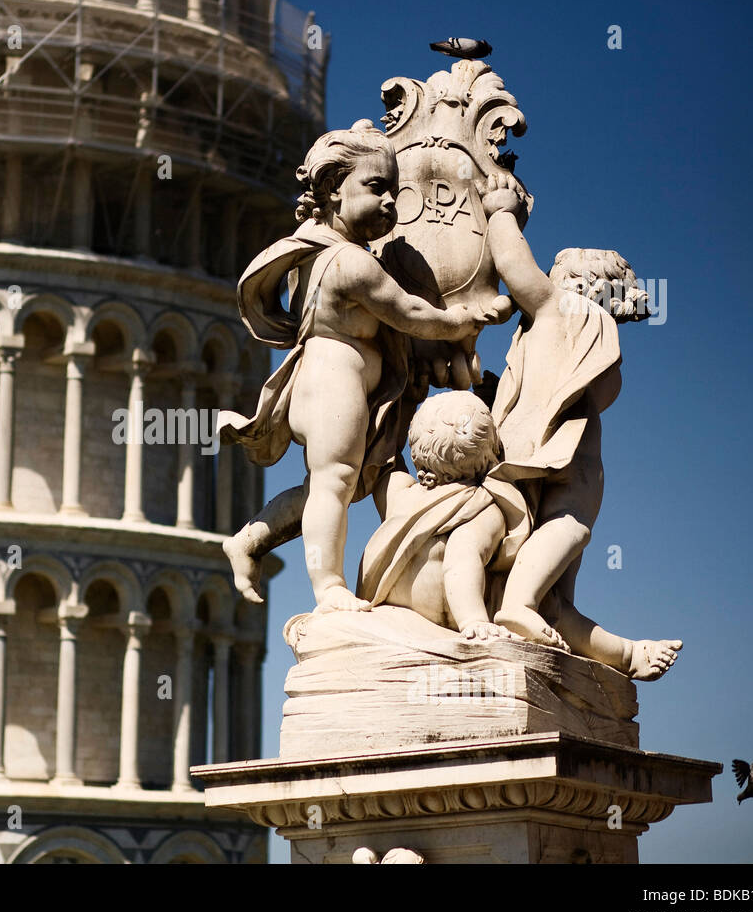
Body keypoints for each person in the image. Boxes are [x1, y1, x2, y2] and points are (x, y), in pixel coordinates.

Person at [220, 119, 508, 612]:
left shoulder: (317, 251)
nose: (392, 201)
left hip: (337, 380)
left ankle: (249, 540)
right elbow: (410, 313)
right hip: (335, 381)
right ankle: (328, 587)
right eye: (377, 187)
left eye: (395, 190)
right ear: (333, 188)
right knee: (334, 483)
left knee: (338, 484)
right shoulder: (352, 264)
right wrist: (461, 319)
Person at [478, 173, 680, 680]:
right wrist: (500, 211)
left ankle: (620, 653)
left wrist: (503, 212)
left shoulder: (559, 315)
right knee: (569, 530)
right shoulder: (569, 318)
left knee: (557, 583)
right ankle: (519, 604)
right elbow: (515, 266)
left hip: (548, 455)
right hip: (569, 463)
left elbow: (514, 266)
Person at [357, 390, 530, 639]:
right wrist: (473, 619)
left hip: (386, 616)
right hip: (446, 622)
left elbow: (383, 460)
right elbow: (463, 556)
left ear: (415, 445)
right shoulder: (482, 506)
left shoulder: (400, 491)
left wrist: (398, 393)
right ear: (489, 450)